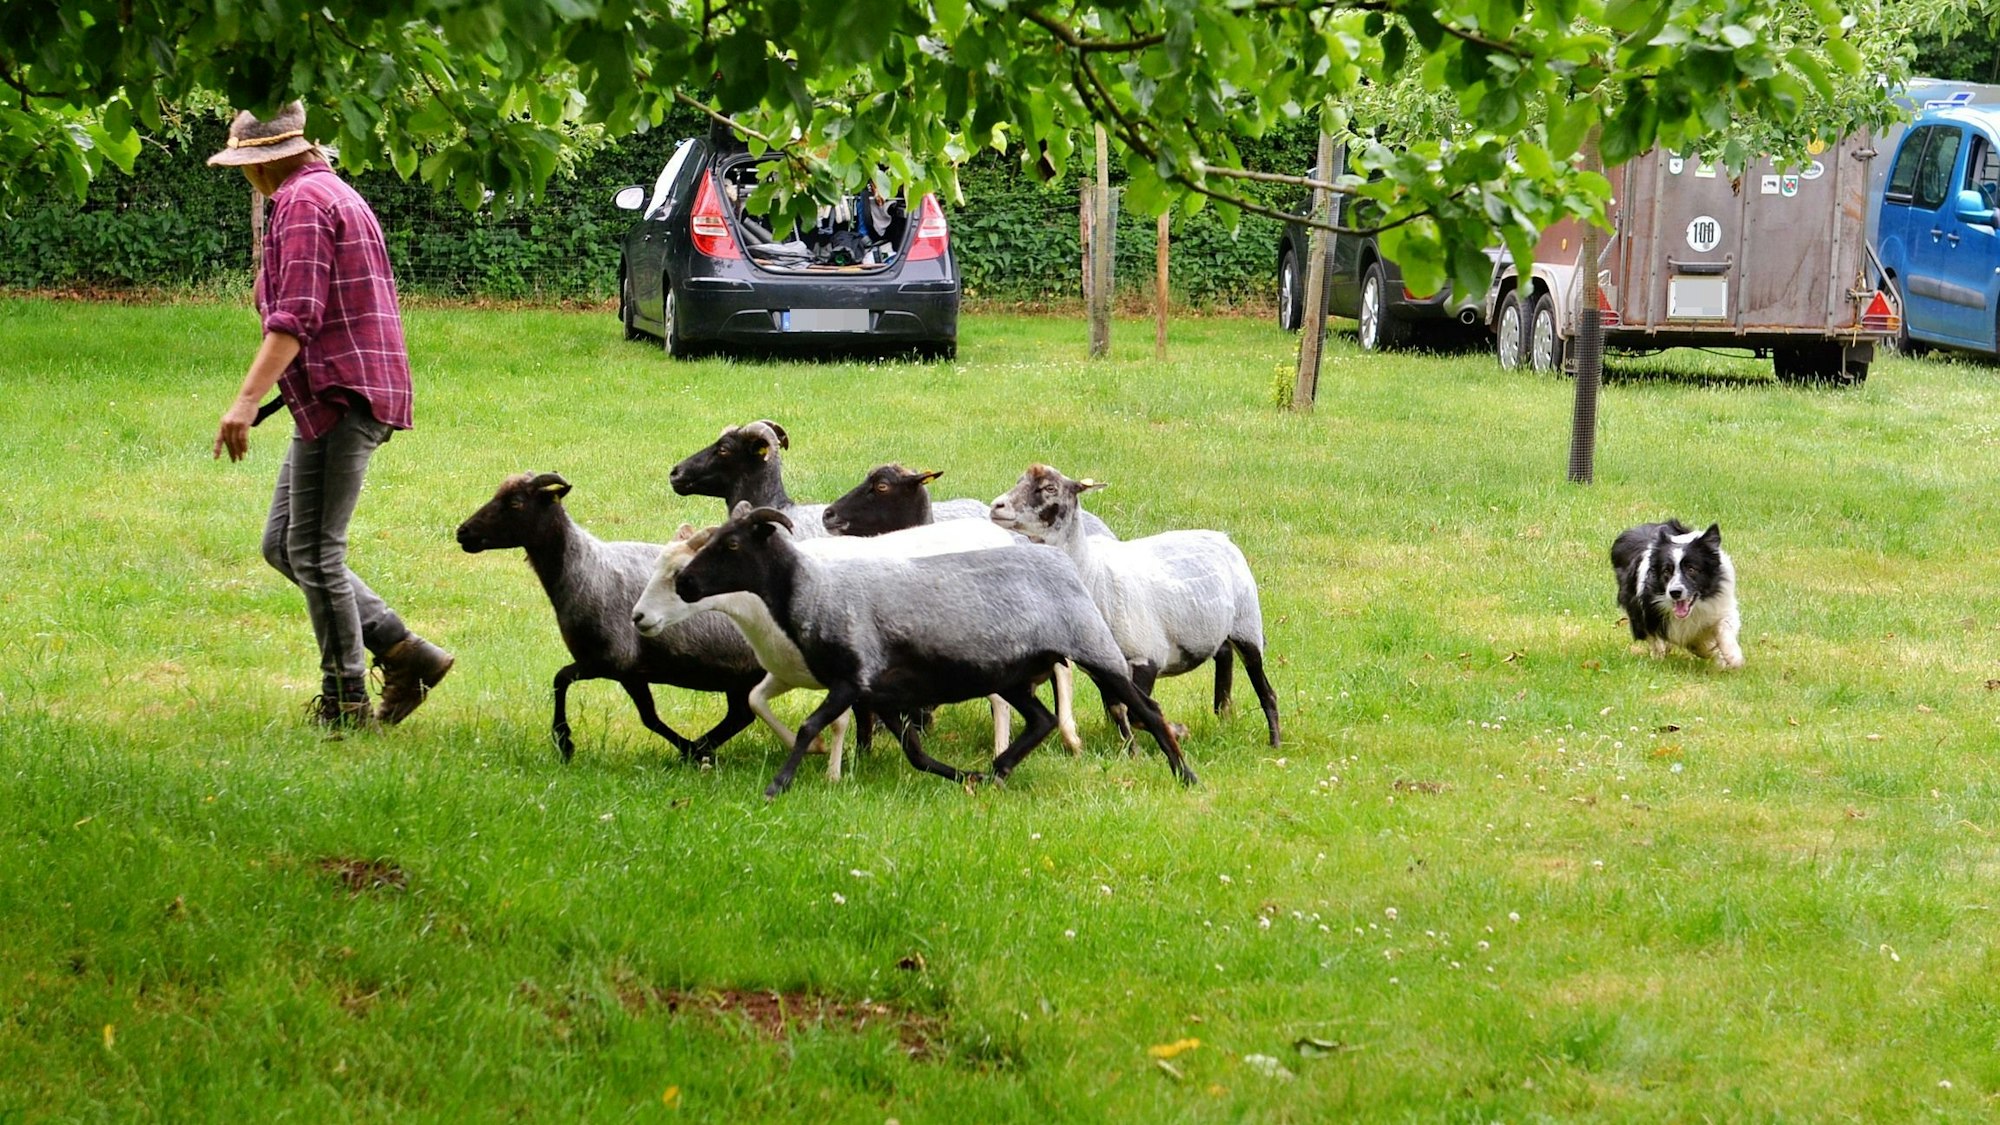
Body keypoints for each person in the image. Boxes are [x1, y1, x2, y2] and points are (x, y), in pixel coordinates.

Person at [208, 102, 453, 729]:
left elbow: (296, 317)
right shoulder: (329, 190)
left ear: (268, 161)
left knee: (314, 551)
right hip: (343, 392)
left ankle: (346, 701)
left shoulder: (300, 204)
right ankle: (405, 650)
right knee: (284, 544)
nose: (246, 176)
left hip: (343, 393)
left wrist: (241, 402)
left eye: (247, 164)